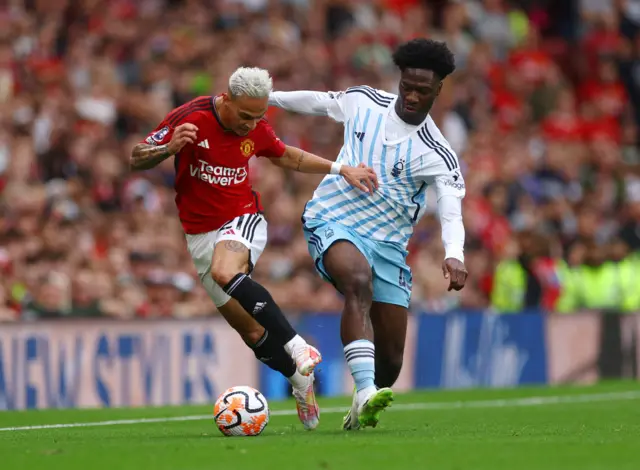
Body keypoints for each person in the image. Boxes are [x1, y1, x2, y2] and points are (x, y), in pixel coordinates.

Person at [130, 67, 379, 430]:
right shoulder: (191, 117)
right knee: (251, 332)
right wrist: (168, 149)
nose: (251, 124)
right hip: (199, 233)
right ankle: (299, 380)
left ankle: (298, 346)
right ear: (226, 99)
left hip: (242, 218)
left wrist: (340, 169)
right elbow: (137, 157)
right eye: (245, 115)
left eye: (259, 116)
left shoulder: (256, 127)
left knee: (224, 271)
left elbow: (287, 156)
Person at [268, 39, 468, 429]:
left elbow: (450, 207)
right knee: (358, 281)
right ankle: (362, 391)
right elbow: (319, 101)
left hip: (388, 246)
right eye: (406, 86)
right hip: (333, 219)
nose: (411, 96)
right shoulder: (364, 101)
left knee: (390, 362)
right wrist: (269, 98)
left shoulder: (438, 153)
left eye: (422, 90)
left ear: (438, 90)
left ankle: (361, 407)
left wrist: (454, 252)